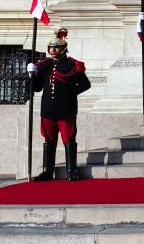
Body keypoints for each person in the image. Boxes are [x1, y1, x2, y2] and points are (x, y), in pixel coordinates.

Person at [27, 28, 91, 181]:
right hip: (48, 109)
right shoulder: (44, 65)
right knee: (48, 139)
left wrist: (69, 94)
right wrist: (32, 75)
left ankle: (71, 170)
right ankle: (48, 171)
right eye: (50, 47)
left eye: (56, 47)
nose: (52, 50)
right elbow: (36, 88)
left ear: (63, 49)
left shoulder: (73, 65)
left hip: (65, 109)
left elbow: (85, 84)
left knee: (68, 138)